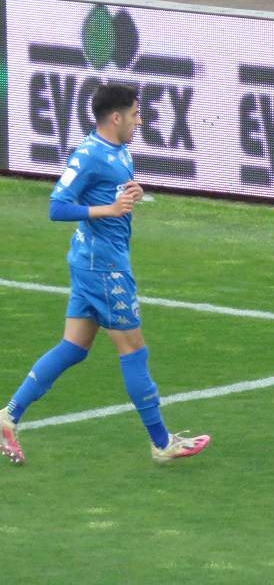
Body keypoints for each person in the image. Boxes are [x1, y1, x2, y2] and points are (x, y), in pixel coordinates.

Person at [0, 83, 210, 466]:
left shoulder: (119, 150)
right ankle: (162, 443)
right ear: (116, 117)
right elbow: (57, 207)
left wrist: (132, 193)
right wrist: (109, 210)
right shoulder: (89, 154)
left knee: (73, 347)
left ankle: (8, 415)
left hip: (91, 261)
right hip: (104, 267)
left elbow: (111, 192)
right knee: (134, 350)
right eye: (135, 114)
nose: (139, 121)